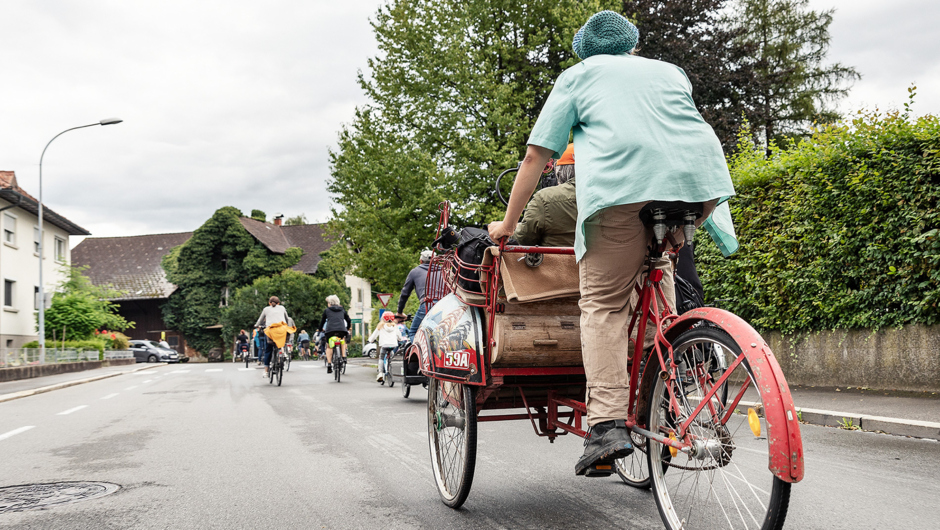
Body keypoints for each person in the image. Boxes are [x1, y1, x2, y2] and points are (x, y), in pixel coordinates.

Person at [488, 10, 736, 477]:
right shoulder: (670, 71)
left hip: (623, 193)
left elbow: (536, 155)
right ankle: (668, 394)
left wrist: (507, 223)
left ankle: (605, 424)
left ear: (586, 51)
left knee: (602, 305)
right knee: (658, 283)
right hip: (697, 186)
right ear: (631, 45)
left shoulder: (578, 77)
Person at [512, 143, 578, 247]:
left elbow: (523, 239)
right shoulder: (609, 195)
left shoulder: (544, 199)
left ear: (559, 171)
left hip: (556, 262)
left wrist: (509, 227)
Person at [396, 249, 441, 341]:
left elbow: (405, 294)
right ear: (436, 260)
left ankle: (421, 354)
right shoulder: (444, 270)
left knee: (413, 332)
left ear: (421, 261)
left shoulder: (415, 272)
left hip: (427, 305)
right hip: (443, 306)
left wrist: (399, 312)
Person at [255, 296, 294, 377]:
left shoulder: (266, 309)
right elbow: (287, 319)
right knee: (281, 344)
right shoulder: (282, 308)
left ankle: (266, 371)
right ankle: (281, 357)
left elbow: (260, 320)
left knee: (268, 350)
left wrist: (256, 325)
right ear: (278, 303)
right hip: (281, 330)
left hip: (271, 331)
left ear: (269, 303)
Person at [318, 294, 351, 373]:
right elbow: (348, 320)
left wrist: (320, 329)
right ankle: (343, 357)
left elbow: (322, 321)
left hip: (330, 330)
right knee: (342, 340)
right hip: (341, 330)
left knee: (329, 346)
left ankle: (329, 364)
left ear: (329, 303)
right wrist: (347, 328)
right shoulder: (342, 309)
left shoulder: (327, 310)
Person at [369, 311, 406, 383]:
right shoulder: (395, 326)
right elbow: (399, 336)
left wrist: (371, 340)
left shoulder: (380, 326)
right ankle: (392, 370)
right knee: (392, 355)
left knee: (381, 357)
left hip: (384, 345)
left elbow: (374, 336)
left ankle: (380, 373)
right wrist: (400, 339)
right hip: (393, 345)